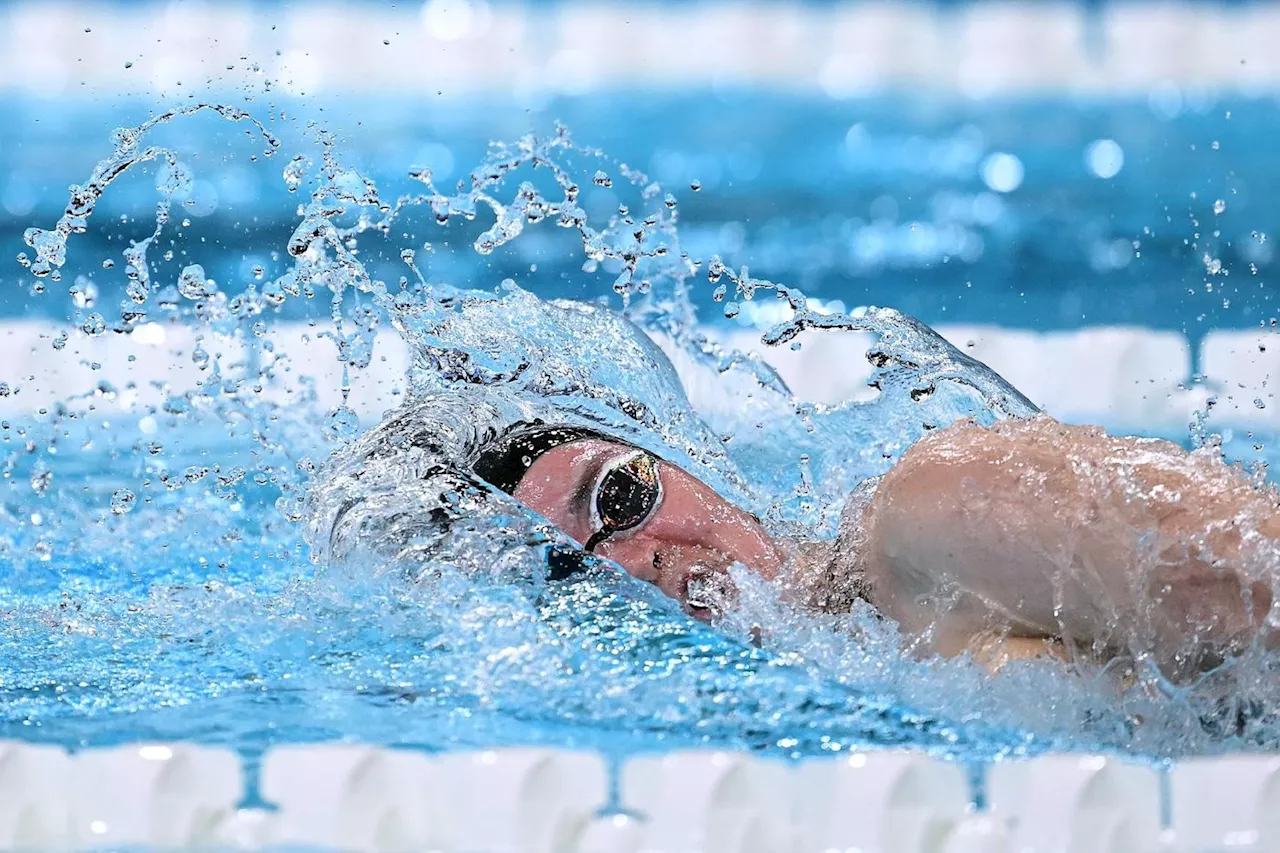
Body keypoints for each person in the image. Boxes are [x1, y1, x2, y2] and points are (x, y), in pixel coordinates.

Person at [474, 413, 1280, 682]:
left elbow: (1244, 575)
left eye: (620, 495)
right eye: (576, 572)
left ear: (682, 458)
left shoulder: (926, 515)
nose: (632, 562)